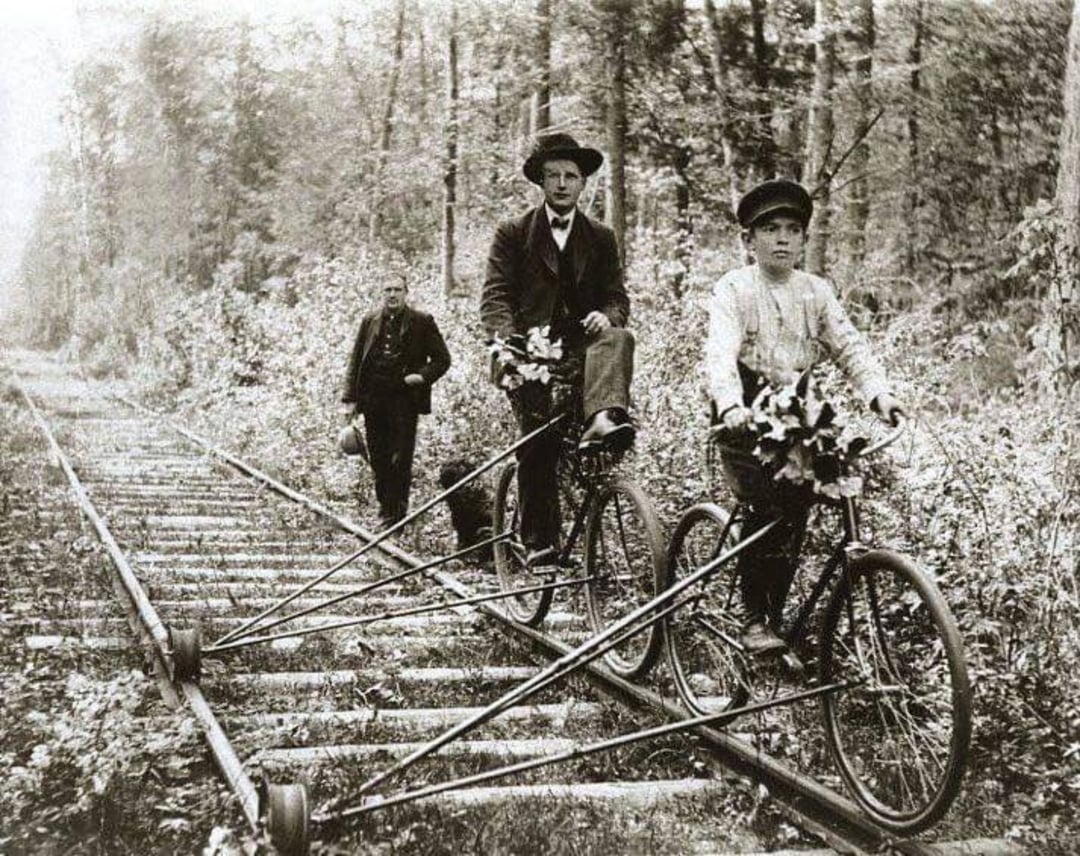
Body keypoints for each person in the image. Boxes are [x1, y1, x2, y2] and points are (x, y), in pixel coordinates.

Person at [705, 179, 905, 655]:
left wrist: (880, 395)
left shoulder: (815, 291)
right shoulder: (734, 288)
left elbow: (848, 345)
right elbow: (720, 352)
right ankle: (754, 617)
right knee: (766, 507)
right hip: (743, 417)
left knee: (797, 510)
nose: (781, 239)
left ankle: (774, 621)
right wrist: (731, 404)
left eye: (792, 230)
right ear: (748, 240)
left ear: (804, 240)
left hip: (797, 416)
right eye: (770, 229)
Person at [481, 132, 635, 570]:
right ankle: (539, 542)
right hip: (531, 356)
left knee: (619, 338)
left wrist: (607, 316)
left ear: (583, 183)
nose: (563, 184)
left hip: (584, 352)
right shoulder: (513, 233)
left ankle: (603, 419)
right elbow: (495, 298)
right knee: (539, 440)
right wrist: (510, 349)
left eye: (571, 176)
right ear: (541, 182)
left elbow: (616, 298)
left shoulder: (601, 237)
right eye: (554, 176)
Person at [342, 277, 451, 528]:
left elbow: (442, 359)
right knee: (379, 457)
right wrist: (349, 400)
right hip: (373, 399)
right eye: (388, 290)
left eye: (397, 290)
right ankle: (385, 511)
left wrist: (421, 376)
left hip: (405, 400)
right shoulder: (369, 321)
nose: (392, 295)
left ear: (406, 293)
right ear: (381, 292)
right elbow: (355, 360)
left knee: (400, 458)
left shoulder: (422, 321)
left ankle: (398, 514)